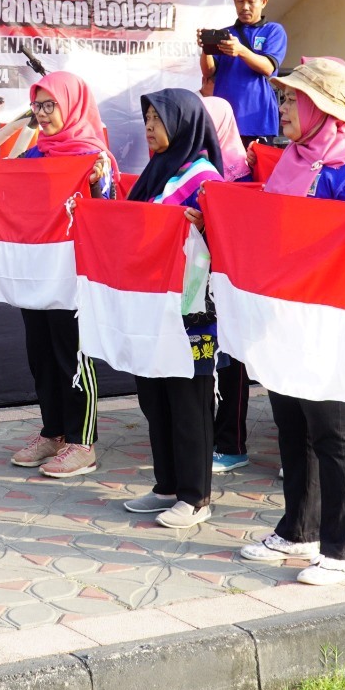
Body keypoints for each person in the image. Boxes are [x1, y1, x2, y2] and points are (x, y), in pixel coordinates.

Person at [238, 58, 345, 586]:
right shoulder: (294, 158)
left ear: (323, 106)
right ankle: (299, 529)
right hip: (287, 312)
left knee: (336, 432)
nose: (282, 108)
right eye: (282, 98)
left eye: (292, 99)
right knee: (294, 426)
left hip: (331, 318)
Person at [122, 88, 223, 527]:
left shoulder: (206, 179)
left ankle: (196, 496)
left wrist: (207, 227)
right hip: (152, 304)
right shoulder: (156, 171)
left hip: (190, 309)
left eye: (157, 119)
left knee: (188, 401)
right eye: (146, 118)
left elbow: (227, 243)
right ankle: (166, 485)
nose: (148, 126)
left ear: (183, 124)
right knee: (154, 396)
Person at [8, 70, 116, 480]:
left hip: (74, 274)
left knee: (71, 354)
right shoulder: (35, 154)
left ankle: (81, 441)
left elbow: (109, 210)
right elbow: (9, 192)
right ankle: (52, 432)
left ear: (71, 105)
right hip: (38, 270)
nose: (41, 113)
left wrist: (96, 184)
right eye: (37, 105)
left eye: (49, 104)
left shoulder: (93, 156)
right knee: (40, 353)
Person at [199, 95, 255, 472]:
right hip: (199, 281)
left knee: (232, 360)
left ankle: (231, 443)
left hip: (233, 279)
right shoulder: (193, 166)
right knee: (203, 355)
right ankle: (205, 435)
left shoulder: (244, 172)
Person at [199, 0, 287, 143]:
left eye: (251, 1)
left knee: (257, 161)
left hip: (259, 120)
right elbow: (208, 72)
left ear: (264, 2)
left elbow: (268, 68)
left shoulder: (273, 30)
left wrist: (241, 50)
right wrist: (206, 48)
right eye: (240, 1)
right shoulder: (225, 33)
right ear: (234, 1)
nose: (245, 7)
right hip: (225, 121)